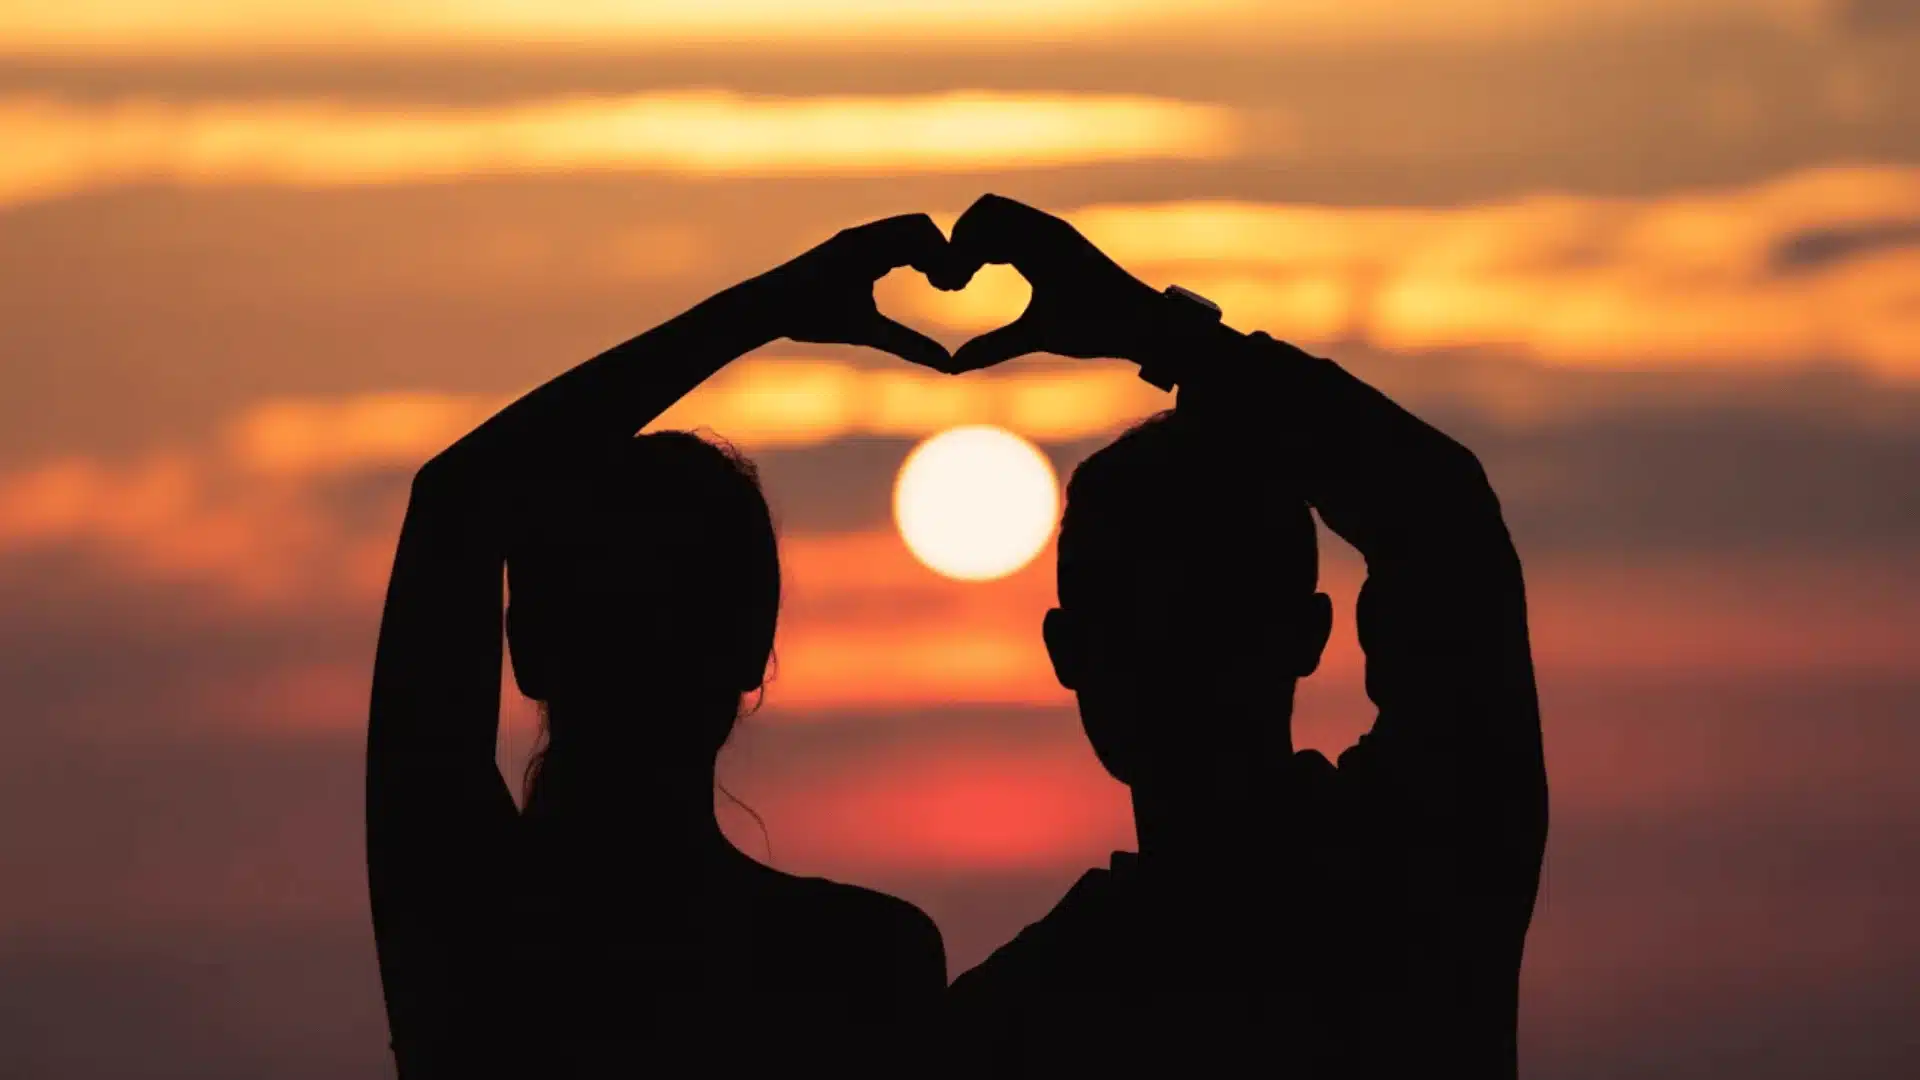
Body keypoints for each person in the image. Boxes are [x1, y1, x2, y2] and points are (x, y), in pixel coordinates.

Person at [935, 196, 1549, 1077]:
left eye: (1198, 618)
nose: (1171, 665)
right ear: (1310, 634)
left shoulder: (1019, 1019)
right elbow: (1441, 518)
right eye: (1143, 622)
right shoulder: (1425, 865)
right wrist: (1157, 332)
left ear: (1067, 655)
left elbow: (1443, 515)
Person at [365, 215, 955, 1078]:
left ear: (528, 646)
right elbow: (458, 498)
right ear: (753, 649)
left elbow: (461, 499)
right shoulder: (859, 964)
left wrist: (769, 308)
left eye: (669, 611)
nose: (649, 648)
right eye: (627, 613)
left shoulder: (471, 923)